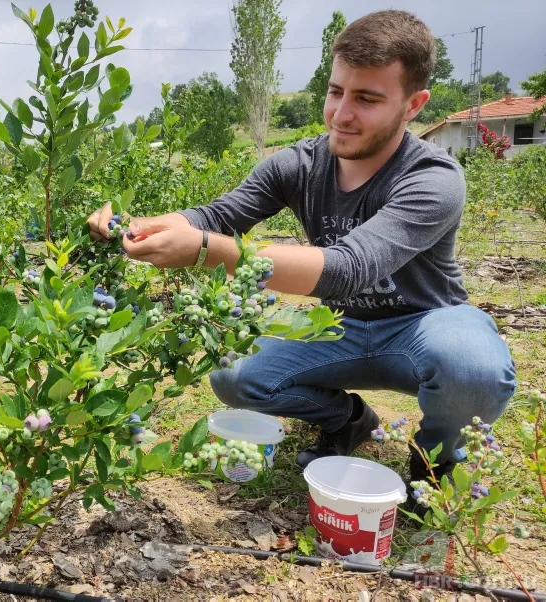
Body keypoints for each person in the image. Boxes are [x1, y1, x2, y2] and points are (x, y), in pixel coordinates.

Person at [87, 10, 516, 489]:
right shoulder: (299, 163)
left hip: (424, 327)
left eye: (367, 99)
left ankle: (436, 462)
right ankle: (348, 419)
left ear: (413, 104)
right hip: (338, 328)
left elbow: (349, 269)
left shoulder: (433, 178)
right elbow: (218, 216)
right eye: (336, 92)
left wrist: (205, 250)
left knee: (474, 368)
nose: (342, 114)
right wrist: (138, 227)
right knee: (233, 376)